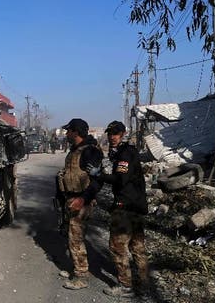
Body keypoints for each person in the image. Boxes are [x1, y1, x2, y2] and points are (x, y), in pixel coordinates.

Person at [87, 121, 149, 298]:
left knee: (117, 246)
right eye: (110, 134)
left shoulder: (125, 153)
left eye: (115, 133)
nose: (111, 137)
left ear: (123, 134)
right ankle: (144, 288)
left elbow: (120, 180)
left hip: (125, 207)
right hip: (136, 206)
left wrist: (101, 175)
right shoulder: (127, 151)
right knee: (138, 247)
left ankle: (126, 287)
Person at [57, 118, 103, 290]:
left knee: (76, 239)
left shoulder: (90, 152)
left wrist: (82, 199)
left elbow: (98, 181)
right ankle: (76, 268)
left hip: (81, 200)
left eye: (69, 131)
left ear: (76, 132)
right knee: (71, 235)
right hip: (71, 198)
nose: (67, 134)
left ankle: (81, 276)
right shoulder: (75, 150)